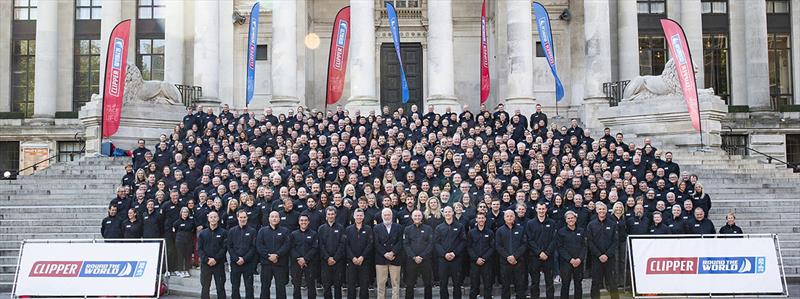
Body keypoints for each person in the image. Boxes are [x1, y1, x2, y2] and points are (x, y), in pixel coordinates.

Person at [586, 202, 619, 299]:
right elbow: (590, 242)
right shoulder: (591, 225)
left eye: (603, 209)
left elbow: (615, 241)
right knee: (595, 283)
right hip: (596, 259)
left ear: (606, 211)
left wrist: (607, 255)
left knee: (612, 282)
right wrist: (599, 255)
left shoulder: (612, 224)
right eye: (600, 209)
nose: (602, 211)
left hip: (610, 258)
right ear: (596, 210)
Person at [525, 202, 556, 299]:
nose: (541, 211)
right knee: (535, 283)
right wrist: (539, 252)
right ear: (536, 209)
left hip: (548, 257)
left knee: (549, 282)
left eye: (543, 209)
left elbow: (554, 240)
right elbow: (529, 240)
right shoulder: (530, 223)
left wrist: (546, 253)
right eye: (540, 209)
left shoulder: (552, 223)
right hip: (534, 257)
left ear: (546, 209)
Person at [257, 211, 291, 299]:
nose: (274, 218)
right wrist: (269, 256)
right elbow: (259, 245)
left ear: (279, 219)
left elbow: (287, 245)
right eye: (272, 217)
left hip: (280, 264)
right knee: (265, 287)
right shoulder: (262, 231)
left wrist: (277, 255)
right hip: (266, 264)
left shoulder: (285, 231)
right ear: (269, 219)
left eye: (276, 217)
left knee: (281, 288)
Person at [434, 206, 466, 299]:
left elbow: (463, 241)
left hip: (456, 259)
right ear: (443, 214)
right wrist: (444, 254)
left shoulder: (460, 226)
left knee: (457, 283)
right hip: (443, 260)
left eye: (449, 211)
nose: (448, 213)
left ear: (453, 213)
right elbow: (436, 243)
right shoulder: (439, 227)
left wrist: (454, 253)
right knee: (443, 283)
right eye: (446, 212)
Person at [496, 210, 527, 299]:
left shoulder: (520, 229)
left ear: (514, 217)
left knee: (520, 286)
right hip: (505, 262)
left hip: (518, 261)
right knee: (505, 286)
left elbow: (524, 244)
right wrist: (508, 257)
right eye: (507, 216)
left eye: (511, 216)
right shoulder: (500, 230)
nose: (509, 218)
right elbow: (498, 246)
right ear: (504, 218)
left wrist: (515, 256)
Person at [404, 210, 434, 299]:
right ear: (412, 217)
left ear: (422, 217)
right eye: (415, 216)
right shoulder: (407, 229)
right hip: (411, 260)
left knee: (428, 283)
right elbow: (406, 244)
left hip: (425, 260)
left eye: (419, 216)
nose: (417, 217)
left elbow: (431, 244)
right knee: (410, 284)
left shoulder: (428, 228)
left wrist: (422, 256)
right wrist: (414, 256)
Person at [374, 208, 403, 299]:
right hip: (381, 259)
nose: (387, 217)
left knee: (395, 283)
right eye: (385, 215)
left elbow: (400, 242)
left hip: (395, 258)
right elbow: (376, 243)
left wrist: (393, 252)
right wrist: (385, 254)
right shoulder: (376, 228)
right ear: (382, 216)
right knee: (381, 284)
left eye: (389, 215)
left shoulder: (398, 227)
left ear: (392, 216)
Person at [557, 211, 587, 299]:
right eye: (568, 218)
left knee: (578, 284)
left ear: (575, 219)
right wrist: (570, 259)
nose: (571, 220)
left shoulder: (581, 231)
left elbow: (584, 246)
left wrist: (580, 259)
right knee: (565, 284)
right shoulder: (561, 232)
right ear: (566, 220)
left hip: (579, 262)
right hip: (566, 263)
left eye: (572, 218)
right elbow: (560, 248)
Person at [228, 210, 258, 299]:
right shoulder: (232, 231)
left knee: (249, 287)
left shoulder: (252, 231)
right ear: (237, 218)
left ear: (247, 218)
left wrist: (244, 259)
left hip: (248, 263)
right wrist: (236, 259)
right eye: (241, 217)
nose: (242, 219)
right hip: (235, 263)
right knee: (235, 287)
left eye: (244, 217)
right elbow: (229, 247)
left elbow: (253, 247)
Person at [198, 211, 227, 299]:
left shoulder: (223, 232)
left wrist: (216, 259)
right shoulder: (203, 233)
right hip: (205, 264)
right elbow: (199, 249)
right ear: (208, 219)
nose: (213, 219)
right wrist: (207, 260)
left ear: (218, 218)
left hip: (218, 264)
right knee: (205, 287)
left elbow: (224, 248)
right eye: (211, 217)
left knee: (220, 287)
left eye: (215, 217)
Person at [318, 207, 346, 299]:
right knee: (326, 286)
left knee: (338, 286)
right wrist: (327, 258)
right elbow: (320, 245)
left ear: (335, 215)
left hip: (338, 261)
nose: (330, 216)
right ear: (326, 216)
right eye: (329, 214)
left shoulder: (341, 228)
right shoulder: (321, 228)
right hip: (325, 261)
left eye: (332, 214)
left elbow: (342, 244)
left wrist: (335, 258)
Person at [345, 208, 373, 299]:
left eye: (361, 215)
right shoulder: (348, 229)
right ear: (354, 216)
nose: (359, 217)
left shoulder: (368, 229)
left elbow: (370, 244)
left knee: (364, 285)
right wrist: (353, 257)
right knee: (351, 286)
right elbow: (346, 245)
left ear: (363, 217)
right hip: (351, 261)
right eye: (357, 215)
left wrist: (362, 257)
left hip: (364, 261)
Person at [289, 213, 318, 299]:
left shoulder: (314, 234)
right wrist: (299, 259)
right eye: (301, 220)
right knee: (296, 286)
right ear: (298, 222)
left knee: (311, 285)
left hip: (310, 263)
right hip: (296, 263)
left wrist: (305, 259)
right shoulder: (293, 234)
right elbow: (291, 248)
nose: (303, 222)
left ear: (308, 222)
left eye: (305, 220)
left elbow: (315, 248)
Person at [467, 212, 494, 299]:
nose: (481, 220)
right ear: (476, 220)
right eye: (479, 218)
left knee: (488, 285)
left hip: (487, 262)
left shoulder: (490, 232)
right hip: (474, 262)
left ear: (485, 219)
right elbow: (469, 247)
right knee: (474, 285)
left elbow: (492, 247)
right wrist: (476, 259)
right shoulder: (471, 232)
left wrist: (484, 258)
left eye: (482, 218)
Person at [172, 207, 196, 278]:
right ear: (181, 213)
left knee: (188, 256)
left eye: (186, 212)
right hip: (180, 241)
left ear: (188, 213)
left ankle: (186, 270)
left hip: (189, 241)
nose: (185, 213)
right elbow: (174, 231)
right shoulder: (177, 222)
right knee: (180, 256)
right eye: (183, 212)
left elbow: (193, 230)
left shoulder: (191, 221)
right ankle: (180, 270)